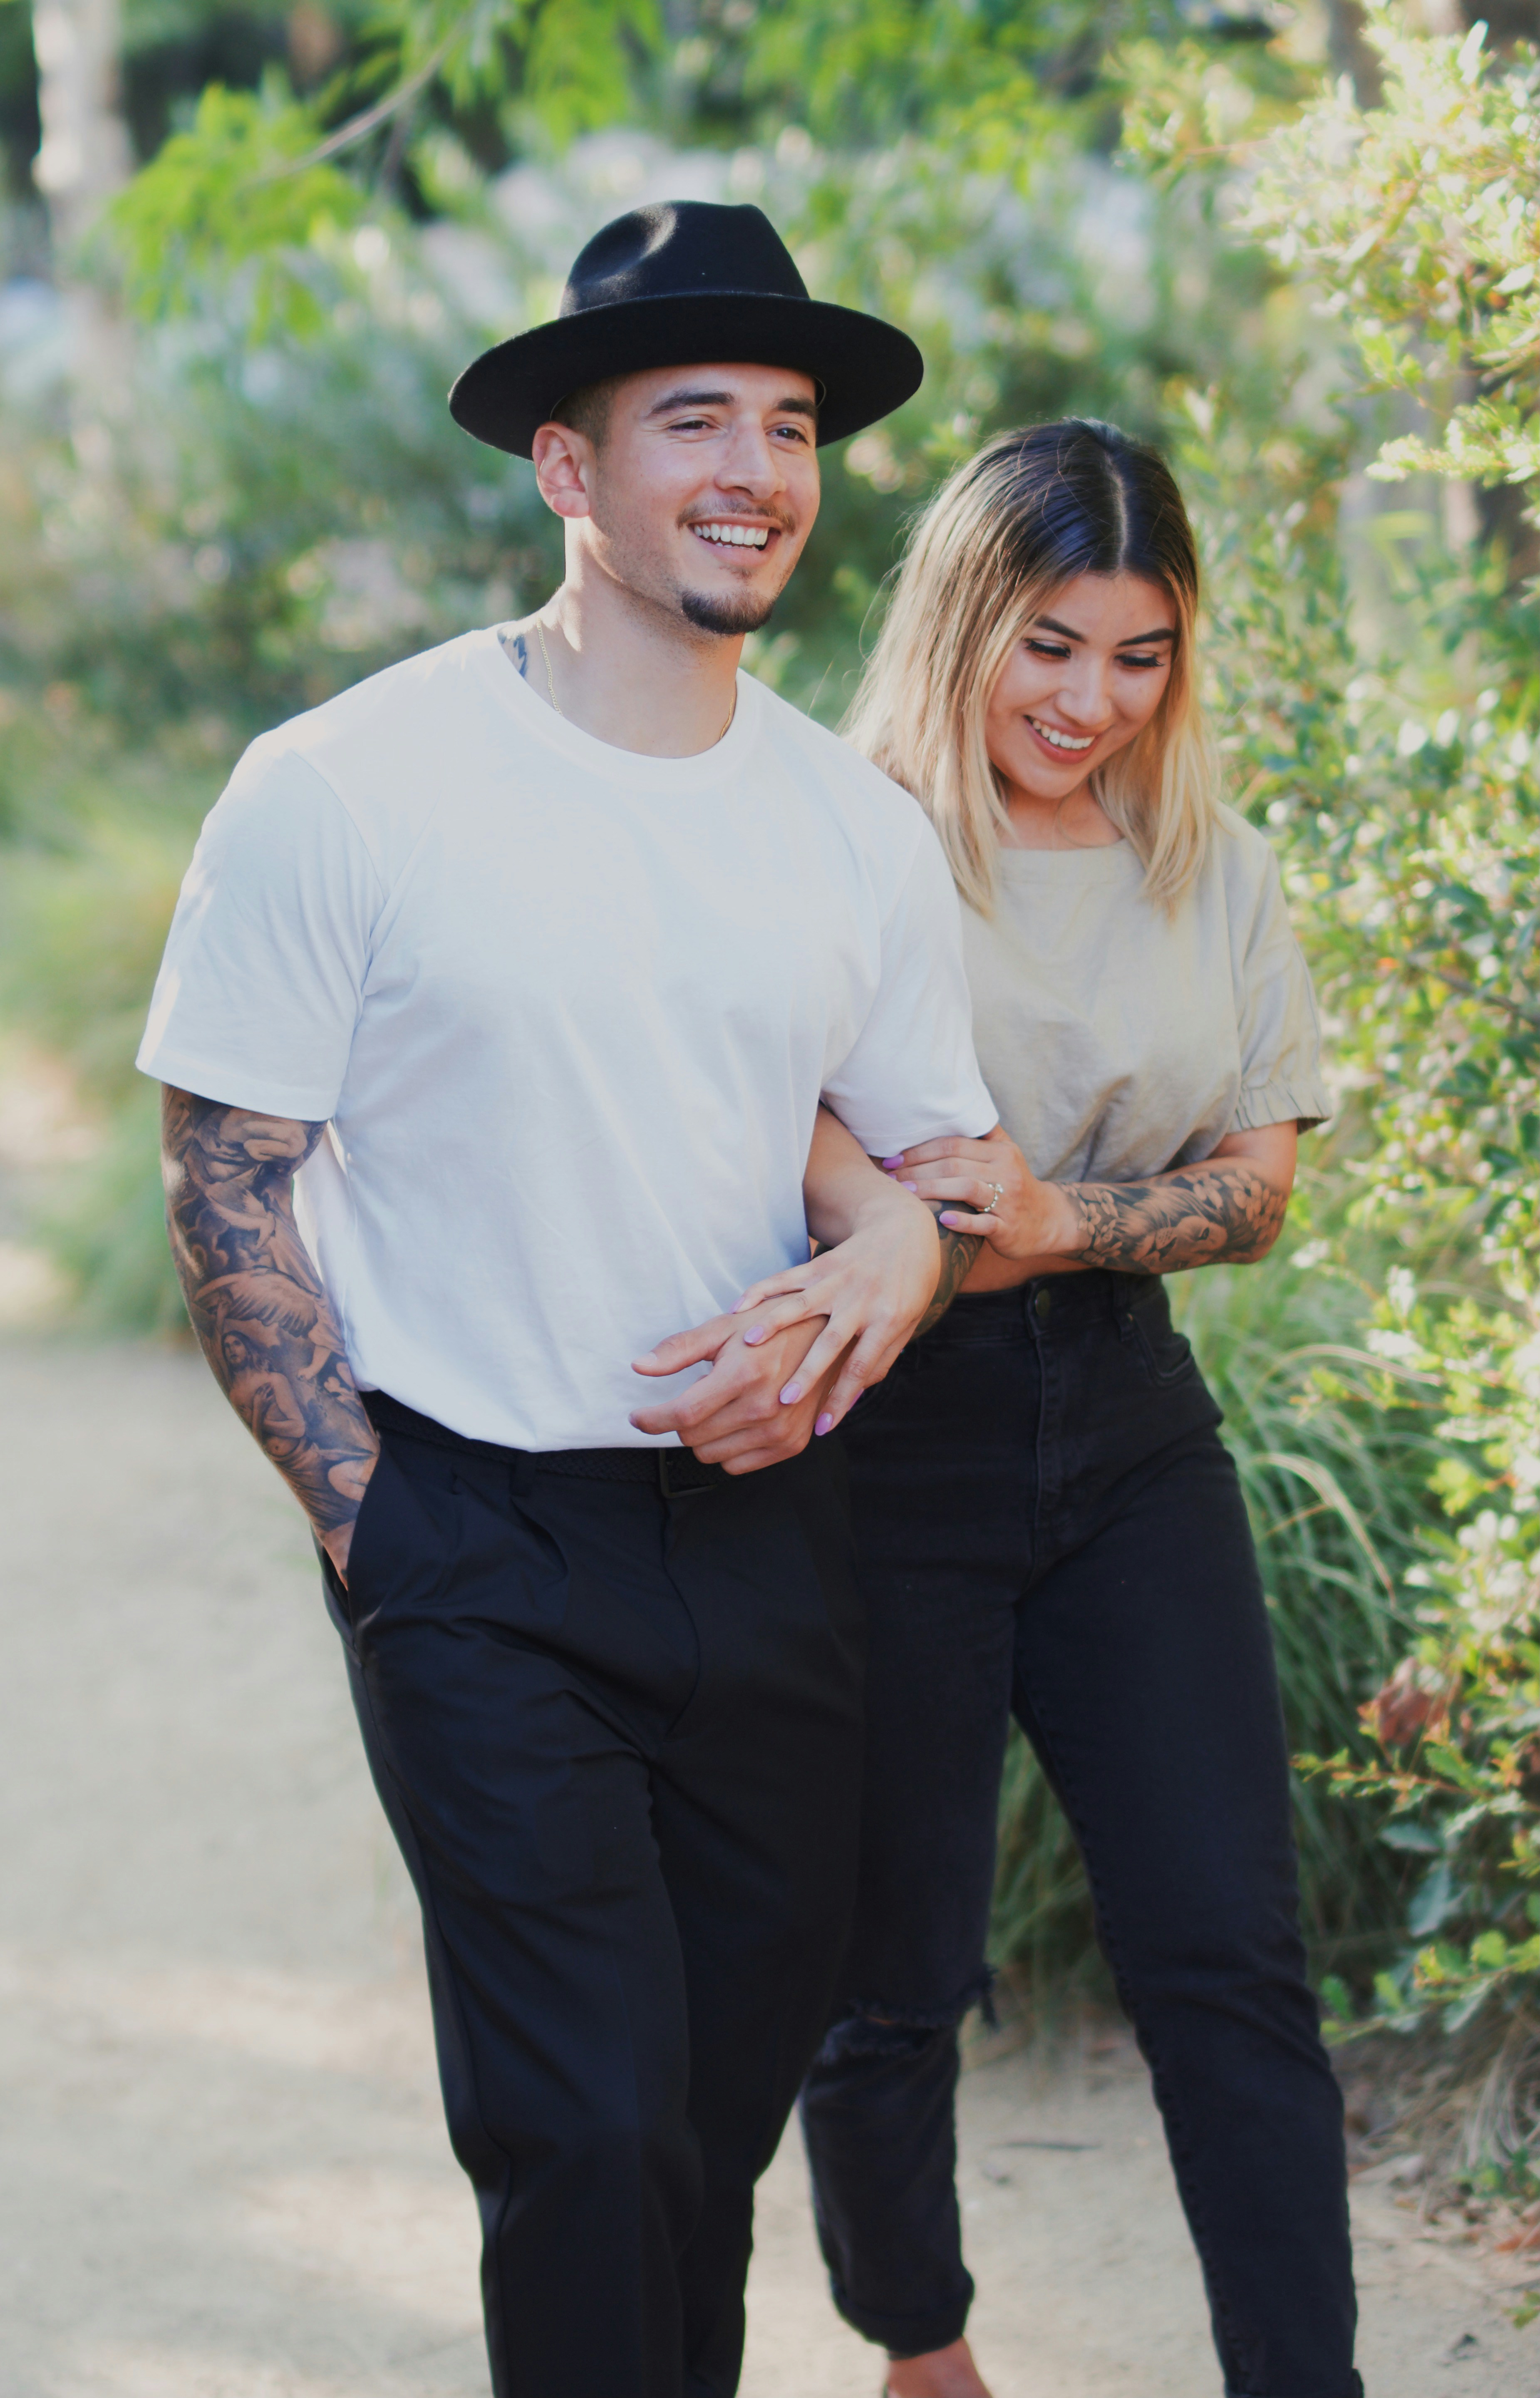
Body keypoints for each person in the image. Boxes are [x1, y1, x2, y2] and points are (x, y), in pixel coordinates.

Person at [134, 199, 999, 2398]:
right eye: (690, 415)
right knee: (589, 2123)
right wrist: (373, 1524)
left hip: (769, 1546)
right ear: (565, 467)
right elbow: (229, 1178)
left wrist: (893, 1260)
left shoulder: (847, 831)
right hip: (475, 1539)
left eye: (789, 425)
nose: (754, 469)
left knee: (701, 2123)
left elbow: (924, 1177)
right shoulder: (346, 786)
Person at [722, 421, 1362, 2398]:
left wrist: (1054, 1217)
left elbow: (1250, 1192)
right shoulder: (833, 833)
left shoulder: (1213, 867)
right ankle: (920, 2347)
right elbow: (798, 1149)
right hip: (885, 1442)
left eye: (1140, 653)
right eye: (1050, 645)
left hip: (1127, 1436)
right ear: (962, 621)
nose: (1091, 702)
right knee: (896, 1969)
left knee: (1227, 1964)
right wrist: (954, 1234)